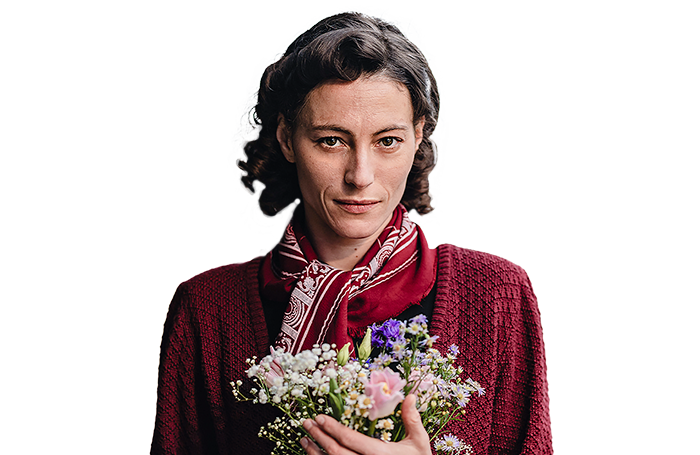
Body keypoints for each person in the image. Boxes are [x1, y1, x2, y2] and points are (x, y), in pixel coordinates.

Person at [151, 11, 552, 455]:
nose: (360, 176)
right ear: (286, 138)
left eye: (387, 141)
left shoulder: (496, 295)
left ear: (418, 136)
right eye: (331, 140)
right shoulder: (207, 310)